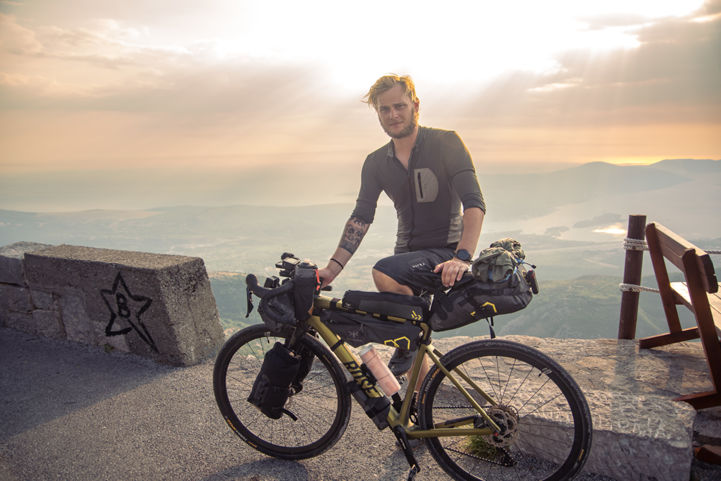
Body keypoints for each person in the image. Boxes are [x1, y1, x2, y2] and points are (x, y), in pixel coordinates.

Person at [318, 74, 486, 376]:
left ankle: (406, 347)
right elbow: (361, 217)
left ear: (415, 106)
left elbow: (474, 203)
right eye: (384, 109)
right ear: (378, 114)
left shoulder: (445, 143)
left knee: (384, 273)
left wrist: (462, 257)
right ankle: (420, 410)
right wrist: (332, 269)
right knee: (411, 332)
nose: (393, 115)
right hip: (407, 257)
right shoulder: (375, 162)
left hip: (444, 254)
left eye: (400, 106)